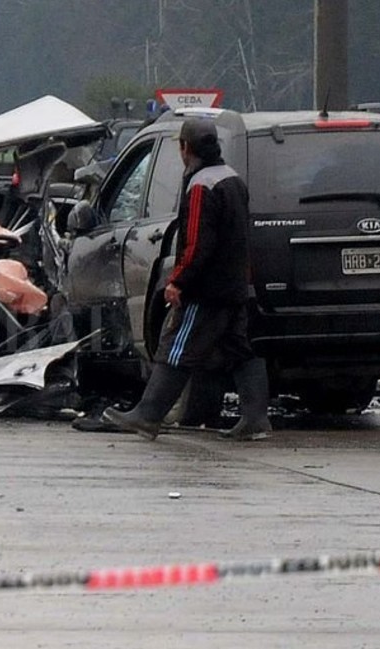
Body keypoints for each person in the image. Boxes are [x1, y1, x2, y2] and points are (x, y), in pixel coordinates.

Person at [102, 118, 272, 441]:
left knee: (176, 348)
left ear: (185, 148)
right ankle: (255, 419)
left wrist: (178, 281)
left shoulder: (200, 186)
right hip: (235, 287)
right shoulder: (233, 179)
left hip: (206, 291)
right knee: (240, 349)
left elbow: (196, 243)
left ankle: (148, 415)